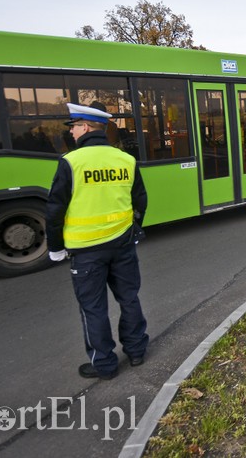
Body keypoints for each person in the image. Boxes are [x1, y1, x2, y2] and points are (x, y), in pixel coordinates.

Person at [46, 102, 149, 380]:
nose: (73, 133)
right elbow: (140, 200)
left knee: (94, 308)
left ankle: (104, 364)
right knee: (129, 298)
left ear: (86, 127)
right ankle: (137, 350)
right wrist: (133, 230)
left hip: (86, 251)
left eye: (75, 127)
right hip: (123, 245)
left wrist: (55, 248)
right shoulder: (125, 159)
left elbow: (55, 209)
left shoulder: (71, 161)